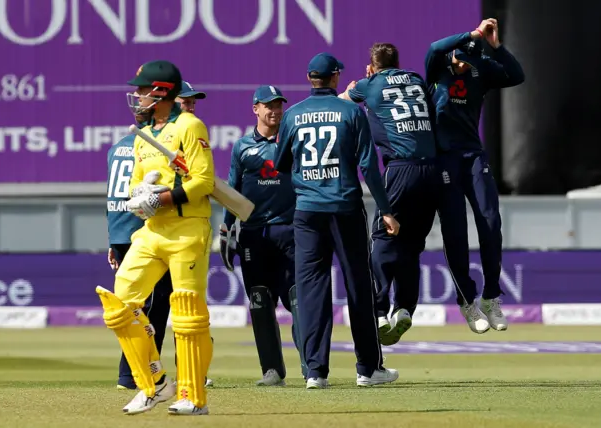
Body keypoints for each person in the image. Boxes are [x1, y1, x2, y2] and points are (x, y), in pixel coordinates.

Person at [274, 52, 400, 389]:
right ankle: (368, 369)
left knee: (312, 289)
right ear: (335, 78)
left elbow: (281, 162)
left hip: (307, 212)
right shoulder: (350, 112)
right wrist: (386, 209)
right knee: (359, 286)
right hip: (344, 208)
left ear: (309, 78)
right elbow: (369, 167)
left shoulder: (293, 114)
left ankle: (315, 372)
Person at [98, 60, 215, 416]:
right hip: (151, 231)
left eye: (142, 90)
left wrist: (163, 196)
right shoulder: (143, 136)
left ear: (161, 92)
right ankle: (154, 384)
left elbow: (204, 182)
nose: (136, 96)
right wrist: (141, 194)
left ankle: (192, 397)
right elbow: (136, 183)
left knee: (187, 313)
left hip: (187, 231)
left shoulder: (190, 126)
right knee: (120, 301)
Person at [338, 43, 442, 346]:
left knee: (384, 237)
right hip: (432, 172)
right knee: (411, 243)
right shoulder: (415, 79)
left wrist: (356, 86)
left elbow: (341, 102)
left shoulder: (368, 85)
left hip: (401, 169)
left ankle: (380, 310)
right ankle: (405, 308)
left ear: (372, 65)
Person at [425, 18, 525, 333]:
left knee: (490, 222)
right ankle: (467, 302)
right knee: (456, 232)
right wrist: (472, 33)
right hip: (444, 160)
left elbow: (516, 75)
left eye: (468, 62)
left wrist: (496, 46)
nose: (463, 67)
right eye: (459, 60)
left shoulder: (480, 69)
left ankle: (490, 297)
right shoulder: (437, 69)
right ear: (452, 55)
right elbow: (433, 47)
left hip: (472, 156)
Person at [220, 85, 306, 386]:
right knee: (259, 300)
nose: (275, 110)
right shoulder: (242, 146)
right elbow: (232, 190)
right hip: (254, 235)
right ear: (255, 108)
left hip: (291, 230)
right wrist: (225, 228)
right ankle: (272, 370)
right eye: (268, 105)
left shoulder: (294, 142)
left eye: (279, 105)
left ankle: (312, 369)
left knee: (299, 301)